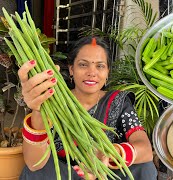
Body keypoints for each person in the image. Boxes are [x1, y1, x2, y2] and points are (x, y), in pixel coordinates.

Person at [19, 36, 157, 180]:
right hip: (63, 175)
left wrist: (109, 154)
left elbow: (145, 150)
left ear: (108, 72)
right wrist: (38, 110)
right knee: (38, 172)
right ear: (71, 69)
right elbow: (33, 164)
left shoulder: (119, 101)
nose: (92, 72)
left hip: (106, 172)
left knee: (145, 167)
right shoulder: (51, 99)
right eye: (83, 65)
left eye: (100, 66)